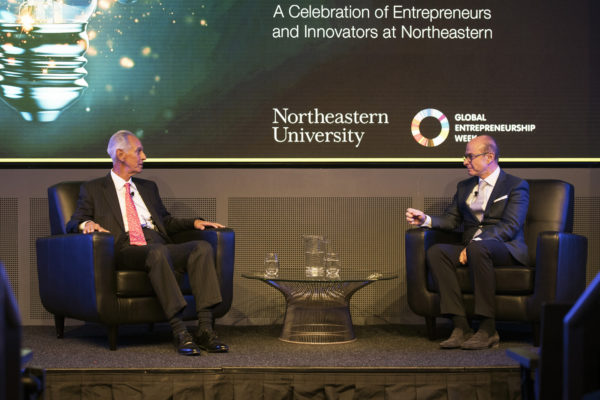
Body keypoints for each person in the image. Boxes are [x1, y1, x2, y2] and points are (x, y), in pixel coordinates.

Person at [66, 130, 228, 356]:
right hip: (126, 248)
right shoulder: (93, 189)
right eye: (139, 151)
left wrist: (194, 222)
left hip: (158, 244)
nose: (144, 157)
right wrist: (87, 225)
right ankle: (179, 330)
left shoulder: (147, 187)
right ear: (120, 154)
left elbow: (166, 222)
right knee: (157, 253)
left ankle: (205, 329)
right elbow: (75, 221)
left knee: (201, 248)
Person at [406, 135, 530, 350]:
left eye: (470, 157)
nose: (465, 161)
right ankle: (460, 325)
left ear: (489, 156)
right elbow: (452, 220)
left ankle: (488, 328)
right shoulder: (465, 187)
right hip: (474, 247)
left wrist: (476, 243)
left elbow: (511, 225)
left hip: (505, 248)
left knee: (477, 248)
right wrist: (426, 220)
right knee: (437, 252)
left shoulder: (516, 185)